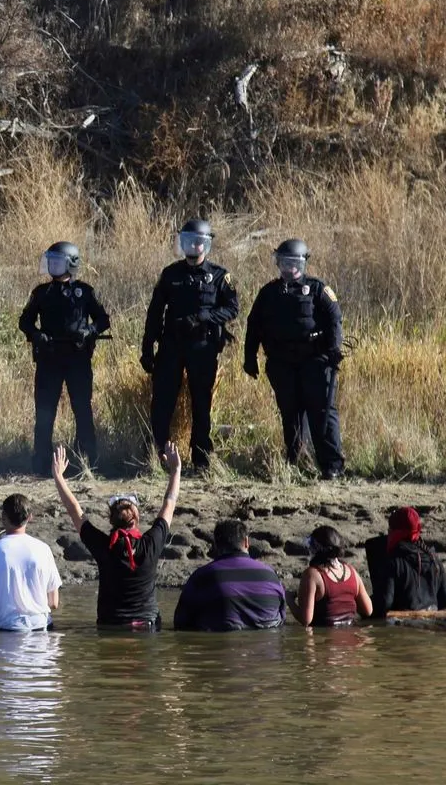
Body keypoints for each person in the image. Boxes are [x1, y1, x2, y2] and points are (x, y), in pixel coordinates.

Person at [140, 219, 239, 473]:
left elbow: (232, 308)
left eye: (198, 242)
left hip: (203, 347)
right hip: (171, 346)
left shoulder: (219, 276)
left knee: (201, 403)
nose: (193, 246)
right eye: (188, 241)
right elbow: (154, 313)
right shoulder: (171, 273)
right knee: (162, 401)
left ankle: (202, 459)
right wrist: (147, 347)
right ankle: (159, 454)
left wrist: (204, 318)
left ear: (206, 244)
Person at [243, 239, 345, 479]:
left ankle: (332, 466)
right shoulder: (269, 292)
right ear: (278, 263)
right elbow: (253, 325)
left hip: (315, 362)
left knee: (322, 412)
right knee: (290, 413)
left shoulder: (318, 289)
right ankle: (295, 460)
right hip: (282, 363)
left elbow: (335, 320)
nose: (289, 268)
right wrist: (250, 358)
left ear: (303, 263)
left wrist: (333, 351)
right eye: (284, 263)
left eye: (294, 263)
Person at [53, 442, 181, 629]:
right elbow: (170, 502)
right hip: (147, 626)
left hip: (110, 626)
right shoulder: (151, 543)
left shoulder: (104, 546)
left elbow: (75, 512)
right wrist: (175, 470)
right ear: (136, 517)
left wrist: (58, 477)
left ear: (110, 519)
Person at [18, 241, 111, 474]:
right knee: (44, 412)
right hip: (49, 359)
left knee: (82, 409)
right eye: (50, 261)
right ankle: (41, 462)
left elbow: (103, 320)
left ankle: (87, 461)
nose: (52, 266)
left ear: (71, 264)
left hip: (77, 359)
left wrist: (88, 331)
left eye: (57, 262)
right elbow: (25, 321)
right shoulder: (41, 292)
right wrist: (36, 334)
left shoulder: (85, 292)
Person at [172, 519, 286, 631]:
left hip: (219, 645)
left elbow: (180, 622)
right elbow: (281, 618)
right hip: (266, 644)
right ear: (246, 542)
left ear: (216, 545)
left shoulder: (201, 577)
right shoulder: (271, 575)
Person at [0, 494, 62, 632]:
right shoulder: (43, 549)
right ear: (30, 517)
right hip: (42, 629)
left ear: (3, 517)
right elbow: (53, 603)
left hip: (7, 630)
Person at [368, 507, 446, 617]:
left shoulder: (393, 561)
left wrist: (364, 604)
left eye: (390, 529)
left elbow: (384, 603)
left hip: (404, 624)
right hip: (432, 619)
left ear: (395, 531)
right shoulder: (433, 557)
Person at [287, 525, 373, 627]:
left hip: (325, 639)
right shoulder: (352, 571)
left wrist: (289, 600)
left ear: (316, 548)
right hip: (352, 636)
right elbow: (368, 610)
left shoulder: (312, 574)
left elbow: (306, 620)